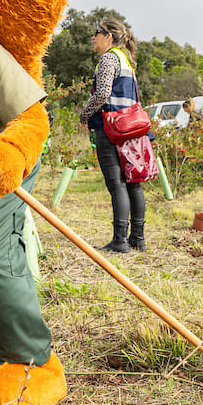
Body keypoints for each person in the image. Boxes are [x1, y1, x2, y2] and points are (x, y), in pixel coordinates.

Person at [79, 17, 148, 252]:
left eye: (97, 33)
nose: (93, 37)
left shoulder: (109, 58)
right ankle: (137, 239)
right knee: (133, 183)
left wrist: (84, 115)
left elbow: (102, 94)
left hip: (111, 128)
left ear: (108, 36)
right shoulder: (127, 60)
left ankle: (119, 241)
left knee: (117, 185)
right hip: (131, 129)